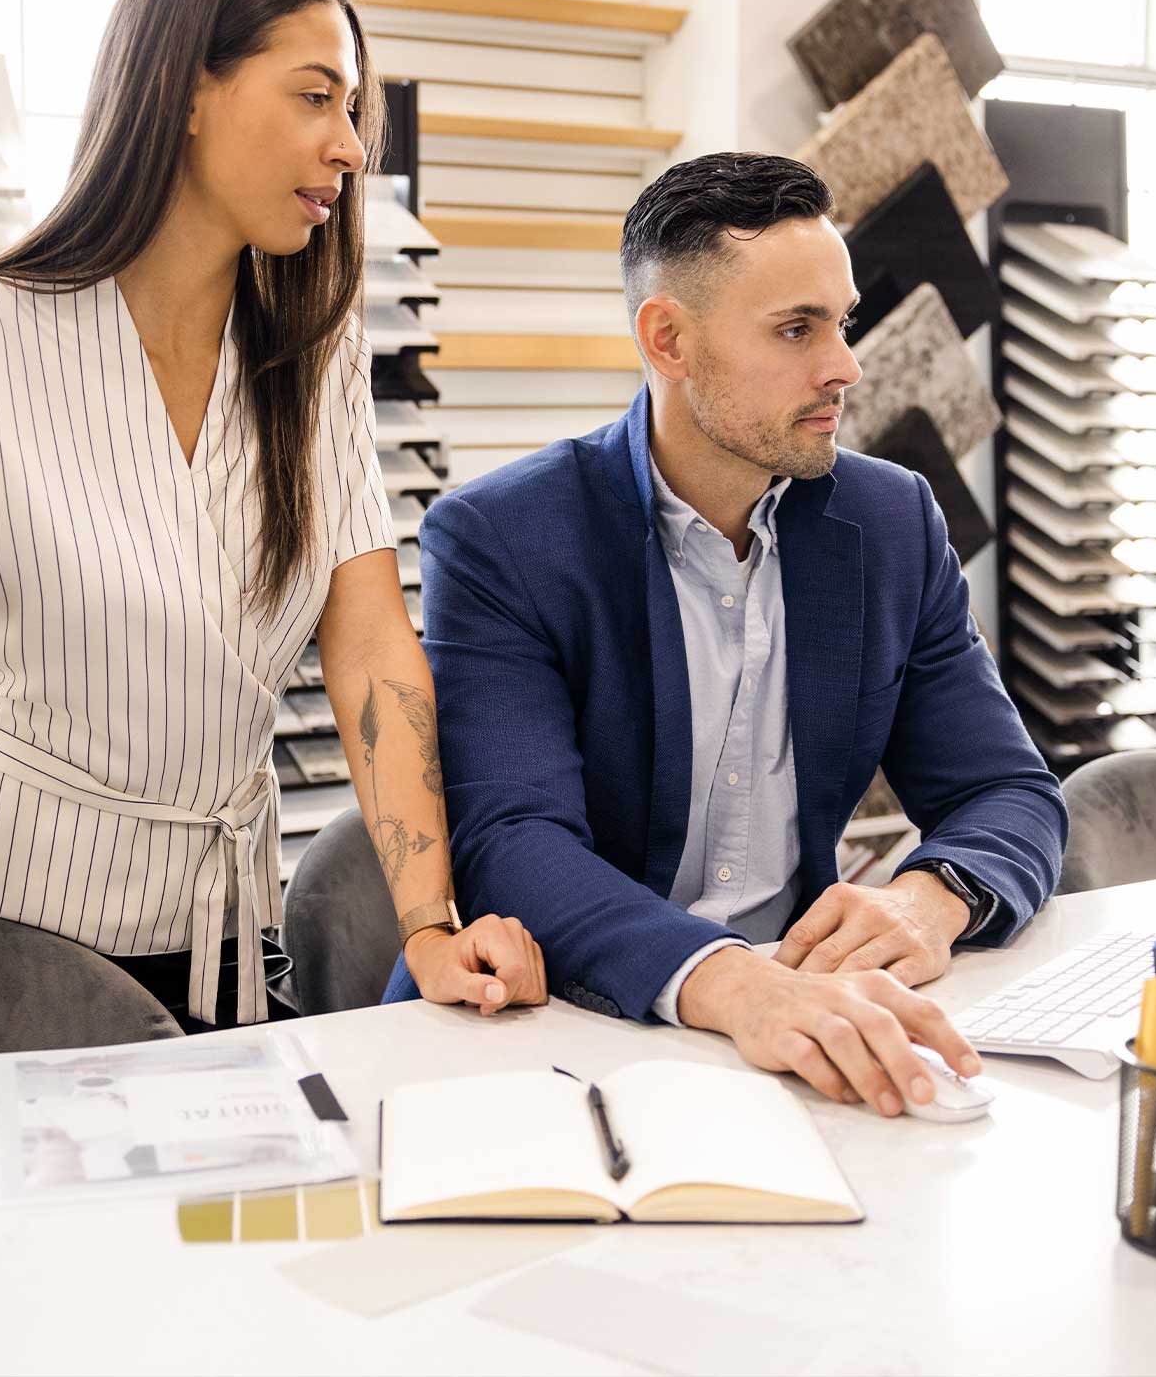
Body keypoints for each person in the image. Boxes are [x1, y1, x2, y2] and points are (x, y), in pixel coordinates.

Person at [384, 152, 1067, 1114]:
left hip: (797, 1028)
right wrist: (731, 983)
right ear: (667, 339)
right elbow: (513, 841)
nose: (845, 366)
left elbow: (1009, 790)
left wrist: (931, 898)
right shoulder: (505, 537)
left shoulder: (893, 522)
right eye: (797, 329)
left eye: (842, 323)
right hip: (565, 1032)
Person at [0, 0, 544, 1039]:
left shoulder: (308, 357)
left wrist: (428, 923)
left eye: (352, 111)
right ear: (187, 90)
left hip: (232, 935)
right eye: (314, 96)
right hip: (13, 937)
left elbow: (370, 640)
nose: (349, 146)